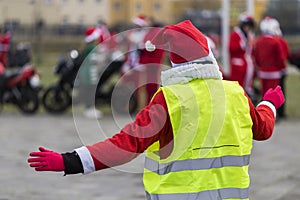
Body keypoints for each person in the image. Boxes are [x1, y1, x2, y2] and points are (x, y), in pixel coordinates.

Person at [28, 20, 285, 200]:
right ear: (208, 54)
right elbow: (263, 129)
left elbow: (126, 145)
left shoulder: (169, 100)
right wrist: (270, 103)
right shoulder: (235, 93)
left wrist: (69, 161)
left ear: (174, 62)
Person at [253, 16, 289, 119]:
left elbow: (256, 57)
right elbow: (280, 58)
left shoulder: (258, 41)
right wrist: (283, 68)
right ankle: (273, 115)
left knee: (264, 94)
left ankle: (264, 114)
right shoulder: (275, 42)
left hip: (263, 72)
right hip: (274, 72)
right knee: (273, 95)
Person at [78, 26, 109, 119]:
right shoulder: (92, 47)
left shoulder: (89, 47)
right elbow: (95, 59)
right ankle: (89, 109)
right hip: (89, 73)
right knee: (91, 90)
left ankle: (90, 108)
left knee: (89, 90)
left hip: (88, 72)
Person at [229, 12, 256, 100]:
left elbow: (252, 50)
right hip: (239, 65)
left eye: (249, 26)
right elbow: (232, 47)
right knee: (237, 87)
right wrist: (244, 44)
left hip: (248, 65)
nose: (248, 28)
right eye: (246, 25)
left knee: (248, 87)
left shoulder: (250, 35)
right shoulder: (235, 34)